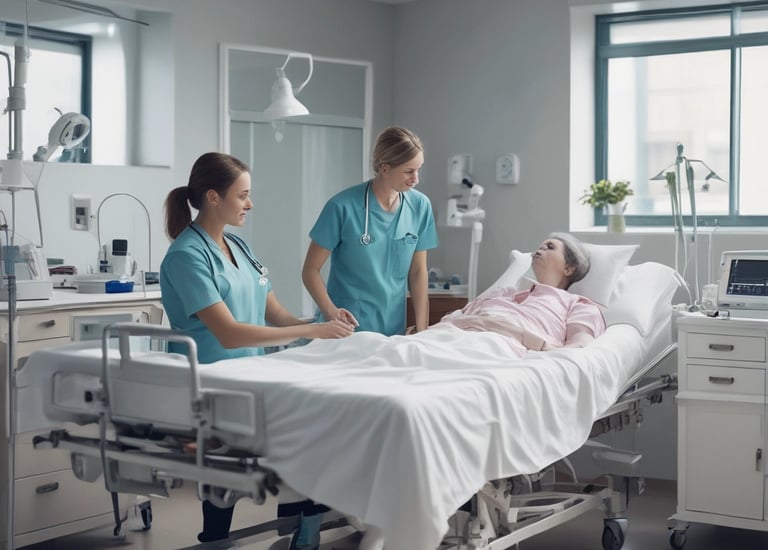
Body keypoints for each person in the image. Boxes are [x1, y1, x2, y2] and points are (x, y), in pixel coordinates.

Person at [160, 151, 355, 547]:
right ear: (213, 197)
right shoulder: (186, 257)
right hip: (213, 381)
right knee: (243, 469)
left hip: (252, 377)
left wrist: (323, 323)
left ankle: (300, 531)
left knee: (315, 428)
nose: (250, 203)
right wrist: (315, 331)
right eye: (243, 195)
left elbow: (276, 313)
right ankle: (216, 539)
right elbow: (229, 334)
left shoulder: (239, 247)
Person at [302, 126, 439, 336]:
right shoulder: (342, 207)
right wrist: (331, 313)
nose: (416, 179)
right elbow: (310, 271)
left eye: (419, 169)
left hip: (392, 329)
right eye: (409, 171)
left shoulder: (420, 206)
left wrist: (422, 331)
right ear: (385, 169)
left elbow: (418, 272)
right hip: (346, 331)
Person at [432, 232, 606, 354]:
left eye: (549, 247)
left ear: (569, 268)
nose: (539, 250)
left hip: (500, 347)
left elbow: (578, 347)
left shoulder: (576, 304)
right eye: (540, 246)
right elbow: (458, 316)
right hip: (449, 338)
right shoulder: (504, 293)